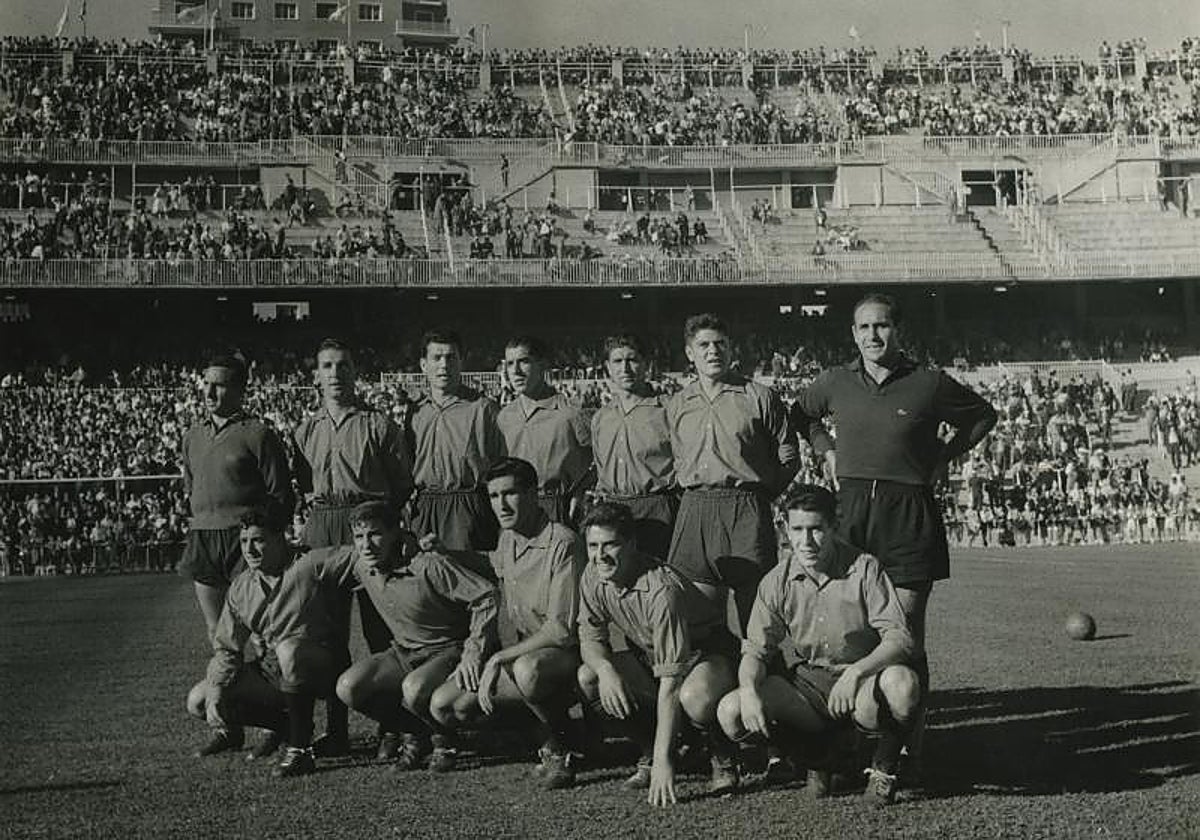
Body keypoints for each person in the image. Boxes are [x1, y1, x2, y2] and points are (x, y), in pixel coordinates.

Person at [790, 292, 997, 774]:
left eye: (881, 325)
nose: (873, 335)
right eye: (863, 327)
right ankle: (852, 736)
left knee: (905, 633)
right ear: (853, 334)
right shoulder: (835, 381)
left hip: (909, 512)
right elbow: (800, 415)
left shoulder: (929, 383)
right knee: (852, 629)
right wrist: (825, 448)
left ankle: (909, 742)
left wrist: (942, 457)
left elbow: (983, 415)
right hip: (851, 512)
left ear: (897, 330)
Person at [716, 486, 920, 805]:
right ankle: (821, 757)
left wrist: (856, 672)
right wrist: (749, 689)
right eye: (797, 529)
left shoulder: (865, 568)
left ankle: (883, 770)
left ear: (833, 527)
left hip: (862, 684)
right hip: (810, 684)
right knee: (732, 711)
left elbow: (900, 638)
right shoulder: (776, 580)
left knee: (903, 684)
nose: (806, 541)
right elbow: (756, 650)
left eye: (816, 529)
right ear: (785, 528)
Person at [429, 457, 586, 790]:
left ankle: (562, 746)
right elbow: (493, 563)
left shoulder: (563, 543)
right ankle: (535, 734)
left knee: (529, 671)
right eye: (494, 496)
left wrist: (499, 657)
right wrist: (447, 553)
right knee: (446, 705)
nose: (501, 504)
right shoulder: (508, 536)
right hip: (524, 652)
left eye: (510, 493)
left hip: (566, 656)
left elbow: (561, 630)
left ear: (532, 494)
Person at [292, 337, 415, 756]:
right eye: (327, 366)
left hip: (368, 524)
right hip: (323, 526)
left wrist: (381, 527)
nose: (336, 373)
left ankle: (393, 726)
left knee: (381, 630)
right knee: (328, 634)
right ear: (316, 375)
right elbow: (304, 484)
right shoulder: (305, 430)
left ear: (354, 371)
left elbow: (402, 483)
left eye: (343, 365)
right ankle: (336, 730)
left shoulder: (378, 425)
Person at [576, 503, 740, 803]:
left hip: (706, 654)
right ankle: (651, 750)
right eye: (593, 546)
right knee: (590, 677)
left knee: (695, 697)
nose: (600, 555)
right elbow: (589, 638)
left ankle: (722, 756)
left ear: (632, 544)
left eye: (610, 544)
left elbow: (671, 684)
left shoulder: (662, 590)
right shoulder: (592, 573)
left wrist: (667, 766)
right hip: (653, 655)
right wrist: (606, 670)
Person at [331, 502, 499, 772]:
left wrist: (473, 652)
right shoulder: (362, 565)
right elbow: (317, 564)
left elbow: (486, 595)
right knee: (348, 687)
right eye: (359, 536)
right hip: (404, 652)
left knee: (413, 688)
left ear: (395, 532)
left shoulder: (428, 565)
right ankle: (417, 733)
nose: (366, 545)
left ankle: (445, 740)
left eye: (375, 534)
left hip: (448, 649)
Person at [185, 507, 348, 778]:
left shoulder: (309, 563)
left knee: (288, 649)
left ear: (280, 538)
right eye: (244, 541)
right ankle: (288, 726)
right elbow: (227, 647)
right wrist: (216, 687)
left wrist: (409, 545)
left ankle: (299, 750)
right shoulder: (241, 586)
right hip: (274, 667)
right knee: (199, 700)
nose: (249, 549)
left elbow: (357, 556)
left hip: (322, 664)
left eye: (258, 540)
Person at [665, 314, 798, 631]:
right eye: (704, 345)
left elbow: (789, 457)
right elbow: (676, 457)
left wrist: (761, 496)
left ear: (731, 348)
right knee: (699, 620)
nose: (713, 351)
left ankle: (761, 663)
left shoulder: (759, 396)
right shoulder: (678, 403)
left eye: (720, 344)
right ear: (690, 353)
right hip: (695, 508)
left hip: (745, 507)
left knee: (756, 618)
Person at [179, 354, 292, 641]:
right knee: (217, 631)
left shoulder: (258, 434)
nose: (208, 392)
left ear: (240, 390)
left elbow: (281, 494)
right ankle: (228, 672)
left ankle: (271, 670)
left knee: (260, 630)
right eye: (206, 383)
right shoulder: (192, 436)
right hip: (204, 538)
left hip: (245, 540)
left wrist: (267, 539)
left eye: (219, 385)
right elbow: (191, 489)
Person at [410, 329, 506, 555]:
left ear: (462, 361)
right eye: (437, 358)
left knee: (467, 572)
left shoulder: (483, 408)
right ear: (423, 365)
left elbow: (502, 465)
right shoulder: (415, 412)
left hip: (468, 506)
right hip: (425, 507)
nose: (444, 365)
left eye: (451, 357)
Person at [588, 333, 677, 560]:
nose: (625, 368)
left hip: (657, 508)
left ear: (646, 364)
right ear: (607, 367)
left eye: (632, 360)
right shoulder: (601, 418)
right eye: (617, 361)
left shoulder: (667, 410)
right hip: (613, 508)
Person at [496, 336, 592, 524]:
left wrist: (581, 493)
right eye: (510, 364)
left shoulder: (571, 412)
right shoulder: (504, 417)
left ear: (542, 365)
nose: (515, 371)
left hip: (557, 507)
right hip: (514, 507)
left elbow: (601, 460)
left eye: (524, 362)